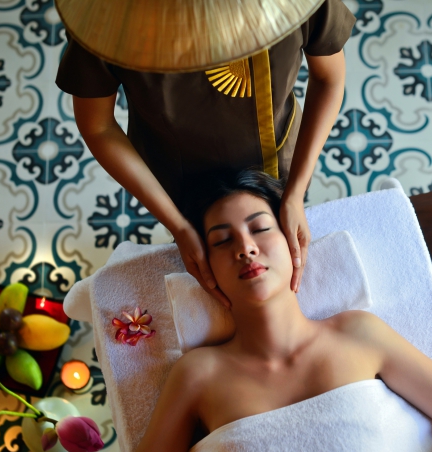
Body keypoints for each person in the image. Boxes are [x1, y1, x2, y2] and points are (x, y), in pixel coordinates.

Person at [120, 170, 432, 452]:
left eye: (259, 228)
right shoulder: (197, 373)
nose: (246, 248)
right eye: (223, 241)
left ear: (294, 243)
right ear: (204, 269)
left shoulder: (357, 333)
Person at [55, 0, 356, 309]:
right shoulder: (108, 16)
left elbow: (328, 78)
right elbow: (99, 127)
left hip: (275, 164)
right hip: (180, 185)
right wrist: (178, 225)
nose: (247, 251)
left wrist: (293, 194)